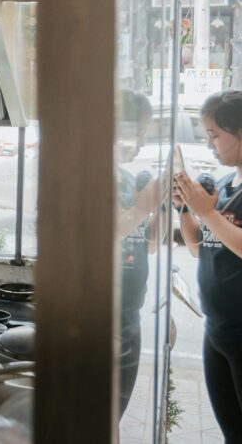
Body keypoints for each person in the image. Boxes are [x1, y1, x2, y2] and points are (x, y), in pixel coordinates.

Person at [175, 90, 242, 443]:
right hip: (217, 329)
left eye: (215, 135)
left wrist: (207, 212)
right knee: (232, 431)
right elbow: (200, 249)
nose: (210, 144)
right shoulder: (227, 185)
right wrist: (187, 208)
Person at [115, 90, 161, 419]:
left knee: (111, 419)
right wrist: (142, 207)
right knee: (99, 420)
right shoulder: (87, 176)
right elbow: (94, 240)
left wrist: (158, 211)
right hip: (101, 318)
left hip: (129, 314)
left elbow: (149, 245)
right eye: (139, 131)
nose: (142, 141)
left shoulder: (128, 179)